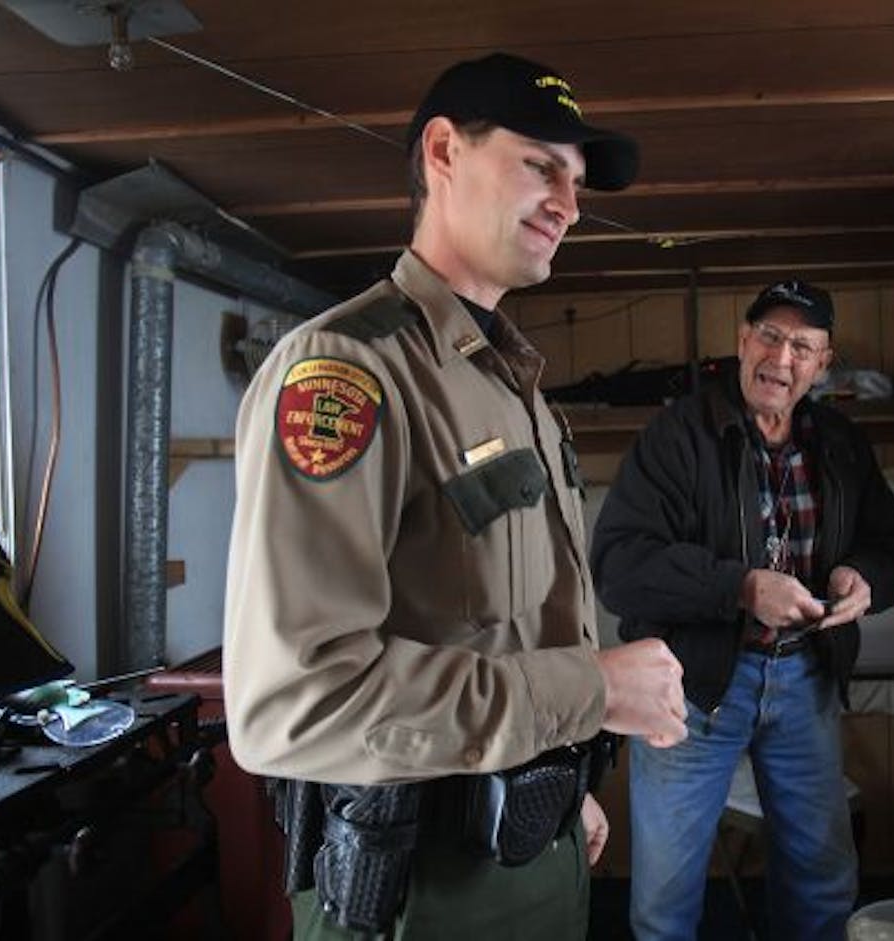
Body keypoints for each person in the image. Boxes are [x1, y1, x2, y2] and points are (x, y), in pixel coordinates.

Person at [222, 52, 687, 940]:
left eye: (579, 182)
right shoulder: (349, 372)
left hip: (534, 850)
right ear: (442, 151)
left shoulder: (517, 388)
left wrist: (564, 781)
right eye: (540, 165)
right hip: (418, 894)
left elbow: (508, 628)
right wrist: (591, 692)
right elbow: (297, 702)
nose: (568, 203)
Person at [592, 279, 894, 940]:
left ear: (824, 363)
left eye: (802, 344)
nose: (781, 356)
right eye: (768, 335)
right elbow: (620, 565)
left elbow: (885, 539)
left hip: (805, 681)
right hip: (692, 688)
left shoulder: (842, 441)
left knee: (822, 876)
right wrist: (740, 587)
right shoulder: (679, 436)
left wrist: (863, 574)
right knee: (666, 895)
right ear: (742, 341)